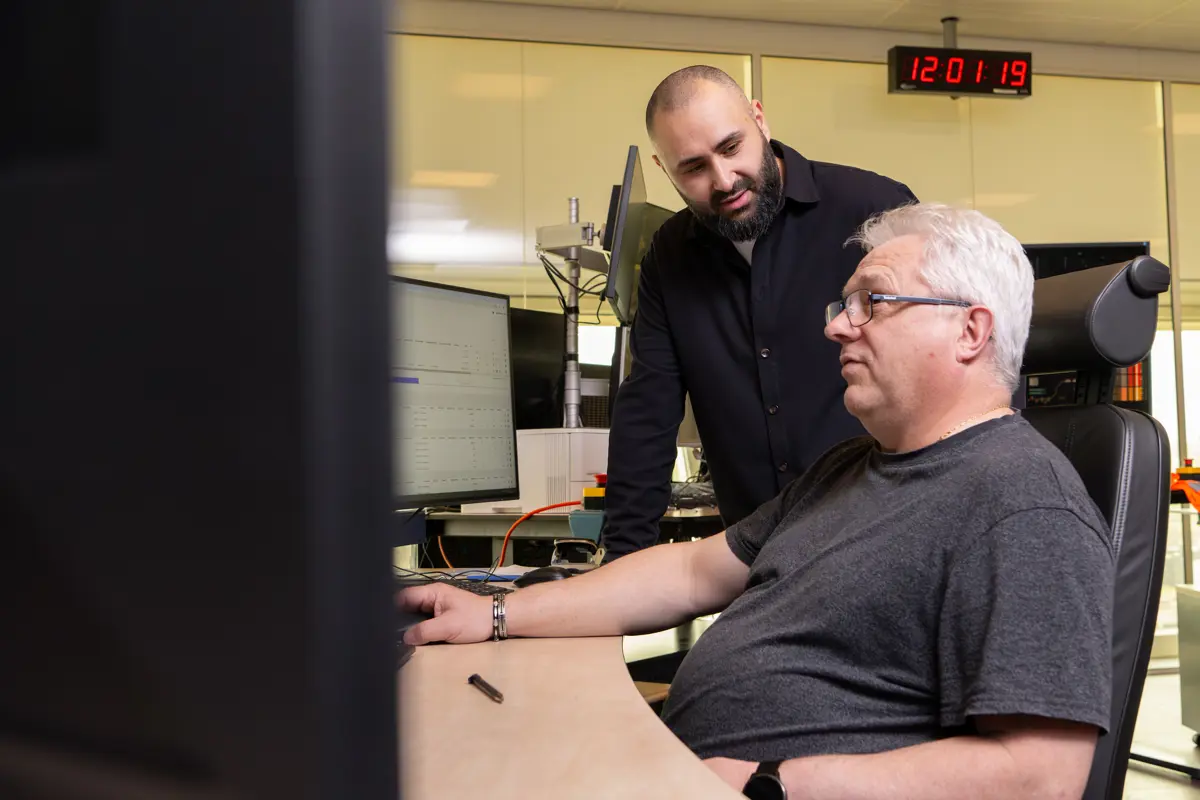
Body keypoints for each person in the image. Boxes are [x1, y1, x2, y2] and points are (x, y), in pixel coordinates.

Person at [399, 204, 1115, 799]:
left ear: (970, 330)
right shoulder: (851, 466)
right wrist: (495, 612)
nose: (837, 325)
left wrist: (775, 780)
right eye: (845, 304)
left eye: (874, 302)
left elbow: (1042, 777)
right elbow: (689, 574)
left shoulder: (1021, 504)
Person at [603, 64, 918, 560]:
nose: (723, 179)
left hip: (881, 545)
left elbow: (946, 376)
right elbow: (648, 413)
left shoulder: (873, 210)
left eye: (731, 148)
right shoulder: (670, 256)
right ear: (666, 171)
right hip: (757, 565)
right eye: (693, 167)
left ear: (760, 120)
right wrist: (619, 569)